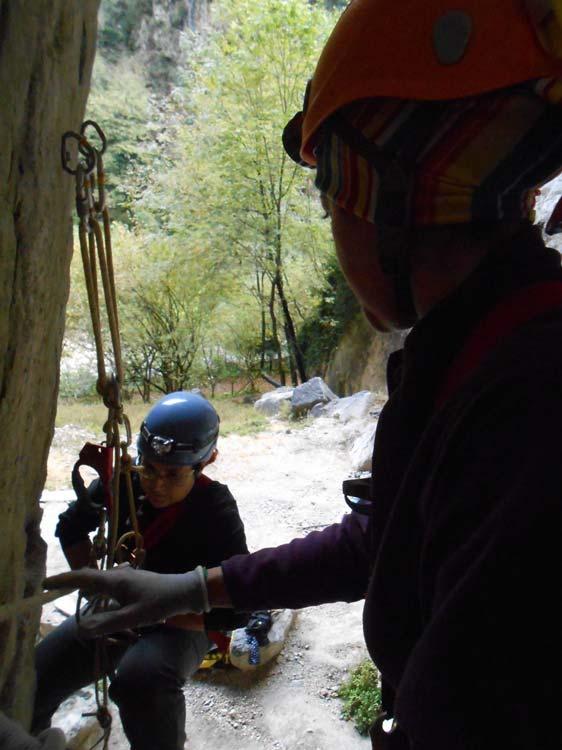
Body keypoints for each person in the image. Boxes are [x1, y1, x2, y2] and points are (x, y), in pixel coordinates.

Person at [45, 2, 562, 748]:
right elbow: (383, 538)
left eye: (330, 206)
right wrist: (191, 589)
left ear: (388, 208)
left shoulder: (524, 402)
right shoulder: (485, 353)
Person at [33, 391, 249, 750]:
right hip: (117, 609)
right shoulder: (124, 484)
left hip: (183, 621)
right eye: (149, 468)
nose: (157, 484)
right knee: (37, 674)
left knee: (140, 680)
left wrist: (156, 616)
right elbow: (71, 526)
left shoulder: (215, 509)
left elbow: (236, 609)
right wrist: (95, 587)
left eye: (173, 474)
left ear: (204, 464)